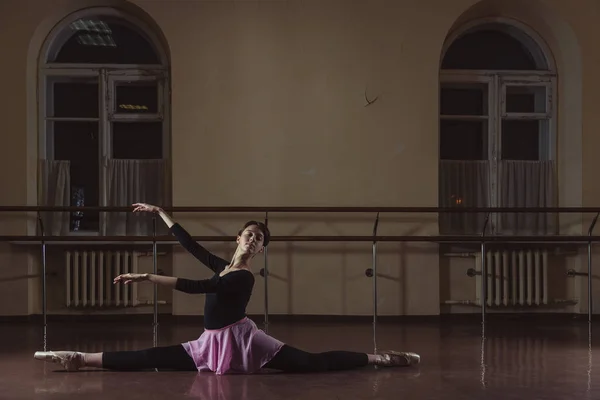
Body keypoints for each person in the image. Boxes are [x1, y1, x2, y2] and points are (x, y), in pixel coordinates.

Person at [34, 203, 420, 373]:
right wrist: (161, 213)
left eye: (260, 240)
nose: (253, 240)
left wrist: (147, 277)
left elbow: (196, 286)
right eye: (249, 235)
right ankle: (79, 359)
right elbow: (191, 247)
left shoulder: (243, 276)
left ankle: (379, 359)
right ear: (238, 238)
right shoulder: (225, 265)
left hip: (246, 341)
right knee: (151, 355)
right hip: (210, 342)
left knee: (312, 364)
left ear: (261, 249)